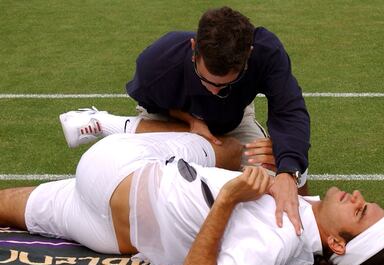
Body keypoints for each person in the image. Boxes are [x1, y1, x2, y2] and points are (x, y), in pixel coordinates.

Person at [0, 133, 384, 265]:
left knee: (219, 144)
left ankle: (109, 122)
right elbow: (304, 203)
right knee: (7, 205)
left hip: (116, 170)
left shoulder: (274, 242)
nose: (358, 196)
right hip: (113, 232)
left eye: (360, 211)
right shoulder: (305, 225)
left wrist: (228, 198)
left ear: (336, 243)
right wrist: (288, 178)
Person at [59, 6, 310, 236]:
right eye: (207, 81)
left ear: (249, 55)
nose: (214, 91)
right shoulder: (157, 64)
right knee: (151, 199)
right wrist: (191, 122)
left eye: (226, 84)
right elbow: (152, 105)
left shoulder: (267, 52)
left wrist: (289, 171)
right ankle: (106, 123)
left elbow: (289, 111)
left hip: (234, 119)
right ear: (193, 47)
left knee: (279, 176)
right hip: (172, 114)